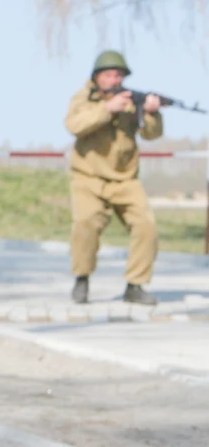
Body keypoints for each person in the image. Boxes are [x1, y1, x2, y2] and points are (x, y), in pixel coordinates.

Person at [65, 50, 163, 306]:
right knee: (85, 224)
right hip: (88, 177)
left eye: (118, 74)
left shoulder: (131, 100)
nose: (114, 79)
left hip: (125, 179)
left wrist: (152, 112)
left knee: (146, 225)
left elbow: (152, 134)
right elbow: (74, 125)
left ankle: (135, 285)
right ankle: (82, 278)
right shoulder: (83, 98)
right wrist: (106, 109)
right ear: (97, 77)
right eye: (108, 74)